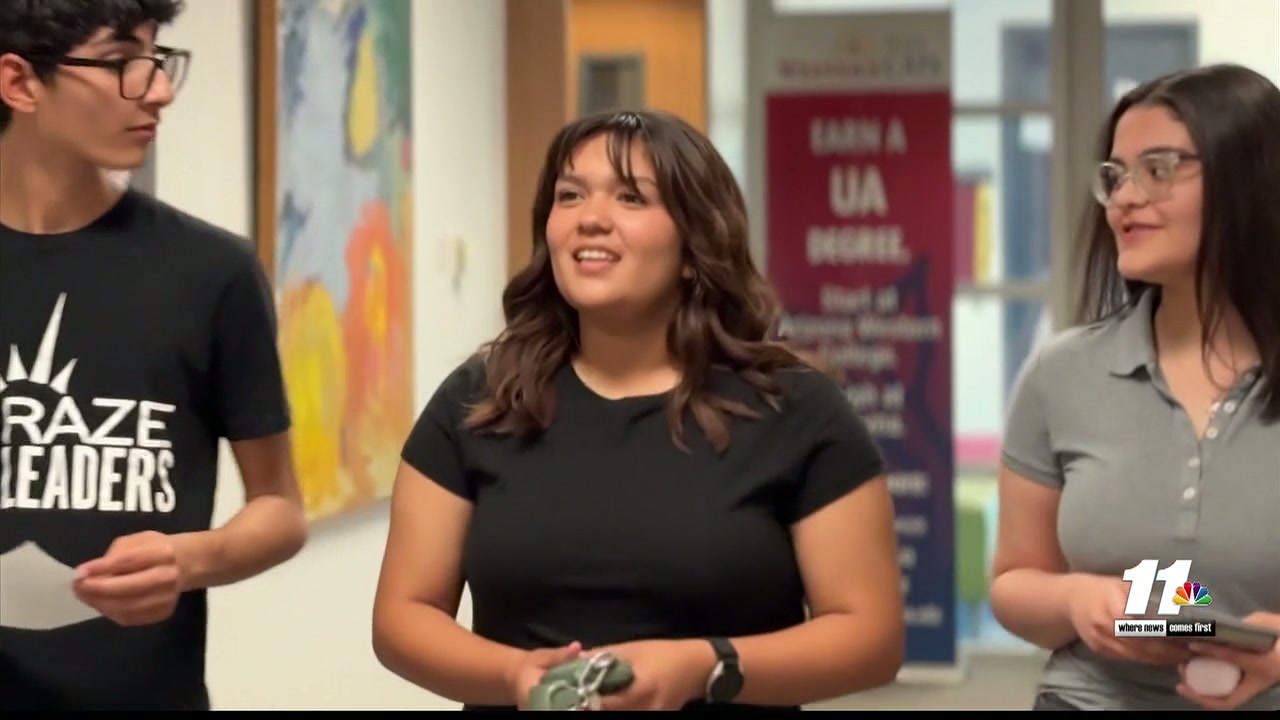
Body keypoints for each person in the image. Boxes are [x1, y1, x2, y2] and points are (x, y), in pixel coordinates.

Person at [371, 109, 904, 711]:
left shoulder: (799, 410)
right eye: (569, 195)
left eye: (630, 197)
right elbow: (402, 616)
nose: (590, 219)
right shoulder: (480, 401)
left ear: (692, 245)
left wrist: (703, 665)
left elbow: (872, 637)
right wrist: (515, 676)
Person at [0, 0, 308, 711]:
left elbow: (280, 508)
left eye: (157, 59)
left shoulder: (210, 272)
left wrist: (187, 558)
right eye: (120, 64)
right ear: (19, 84)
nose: (159, 89)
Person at [990, 62, 1280, 711]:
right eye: (1116, 175)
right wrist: (1075, 599)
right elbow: (1013, 582)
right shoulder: (1060, 373)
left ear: (1249, 178)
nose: (1124, 197)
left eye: (1159, 168)